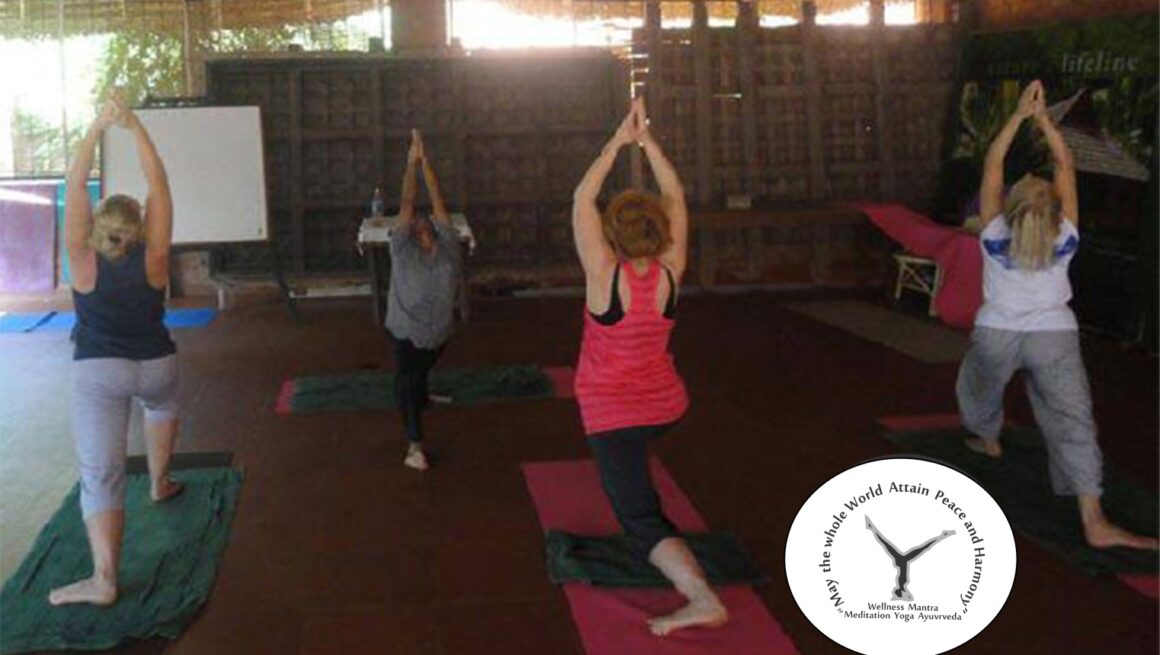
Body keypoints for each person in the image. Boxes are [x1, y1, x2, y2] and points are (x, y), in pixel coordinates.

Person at [957, 80, 1158, 550]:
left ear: (1013, 207)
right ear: (1050, 212)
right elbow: (1066, 165)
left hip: (998, 331)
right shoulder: (1066, 234)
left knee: (978, 383)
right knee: (1073, 419)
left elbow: (992, 165)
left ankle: (987, 436)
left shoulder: (993, 232)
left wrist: (1018, 117)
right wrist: (1047, 121)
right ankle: (1094, 519)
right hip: (1054, 336)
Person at [572, 98, 728, 636]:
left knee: (640, 520)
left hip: (616, 416)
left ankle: (701, 598)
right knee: (634, 463)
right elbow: (675, 195)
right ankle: (690, 583)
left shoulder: (603, 275)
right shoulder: (670, 270)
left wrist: (619, 141)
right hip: (666, 406)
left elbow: (582, 197)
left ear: (612, 235)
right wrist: (647, 142)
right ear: (658, 230)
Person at [49, 95, 184, 606]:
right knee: (162, 404)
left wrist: (96, 128)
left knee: (101, 474)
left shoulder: (81, 258)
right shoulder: (155, 255)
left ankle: (104, 579)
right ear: (140, 227)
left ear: (97, 229)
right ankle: (160, 482)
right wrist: (132, 125)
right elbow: (159, 183)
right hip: (157, 366)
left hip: (100, 374)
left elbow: (75, 184)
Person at [386, 129, 462, 471]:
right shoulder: (402, 250)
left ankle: (420, 394)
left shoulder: (449, 248)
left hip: (439, 332)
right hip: (405, 329)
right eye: (414, 220)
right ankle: (414, 445)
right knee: (407, 381)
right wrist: (410, 164)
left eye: (423, 217)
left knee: (418, 373)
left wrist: (426, 163)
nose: (417, 219)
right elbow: (406, 203)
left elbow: (438, 200)